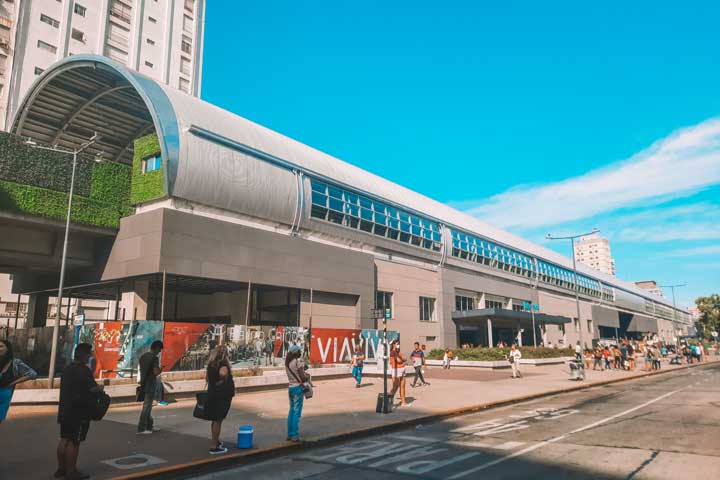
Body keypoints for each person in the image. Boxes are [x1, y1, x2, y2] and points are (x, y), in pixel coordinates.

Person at [56, 343, 103, 480]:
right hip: (79, 411)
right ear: (85, 355)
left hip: (65, 410)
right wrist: (99, 388)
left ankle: (61, 468)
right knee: (74, 442)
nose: (90, 356)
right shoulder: (84, 370)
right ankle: (71, 471)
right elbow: (92, 389)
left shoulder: (67, 369)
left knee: (64, 439)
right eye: (89, 354)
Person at [206, 345, 235, 454]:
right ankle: (214, 446)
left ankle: (216, 441)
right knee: (218, 419)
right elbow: (223, 373)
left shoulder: (211, 364)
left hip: (213, 394)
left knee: (215, 419)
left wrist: (215, 382)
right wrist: (223, 380)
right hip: (222, 396)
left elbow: (207, 378)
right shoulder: (223, 364)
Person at [0, 339, 38, 424]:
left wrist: (14, 382)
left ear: (7, 348)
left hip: (4, 397)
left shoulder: (15, 363)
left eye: (1, 346)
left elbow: (33, 374)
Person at [137, 340, 163, 434]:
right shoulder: (154, 358)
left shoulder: (143, 357)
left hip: (143, 383)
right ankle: (141, 428)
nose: (159, 352)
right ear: (156, 348)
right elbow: (156, 372)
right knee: (147, 407)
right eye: (159, 350)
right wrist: (161, 369)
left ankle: (149, 426)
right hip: (150, 384)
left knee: (147, 406)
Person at [285, 344, 307, 442]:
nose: (300, 352)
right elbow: (303, 377)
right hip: (298, 389)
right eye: (299, 351)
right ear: (296, 353)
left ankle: (290, 434)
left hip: (290, 388)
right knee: (297, 412)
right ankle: (295, 435)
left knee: (291, 411)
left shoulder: (287, 363)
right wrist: (307, 377)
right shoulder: (298, 362)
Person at [388, 341, 407, 406]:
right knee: (395, 387)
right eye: (397, 344)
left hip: (402, 369)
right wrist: (403, 361)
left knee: (403, 386)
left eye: (399, 344)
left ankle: (403, 402)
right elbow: (398, 360)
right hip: (396, 370)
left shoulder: (398, 352)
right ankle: (388, 402)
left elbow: (405, 358)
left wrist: (402, 360)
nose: (398, 345)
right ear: (393, 345)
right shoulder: (392, 352)